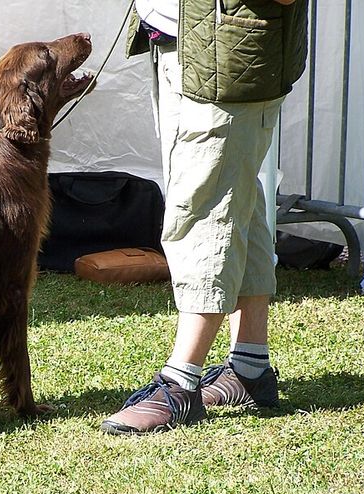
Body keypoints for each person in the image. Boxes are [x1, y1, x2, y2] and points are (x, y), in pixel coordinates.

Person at [100, 0, 309, 434]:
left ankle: (181, 382)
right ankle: (250, 367)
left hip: (226, 50)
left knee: (204, 209)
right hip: (190, 45)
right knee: (235, 199)